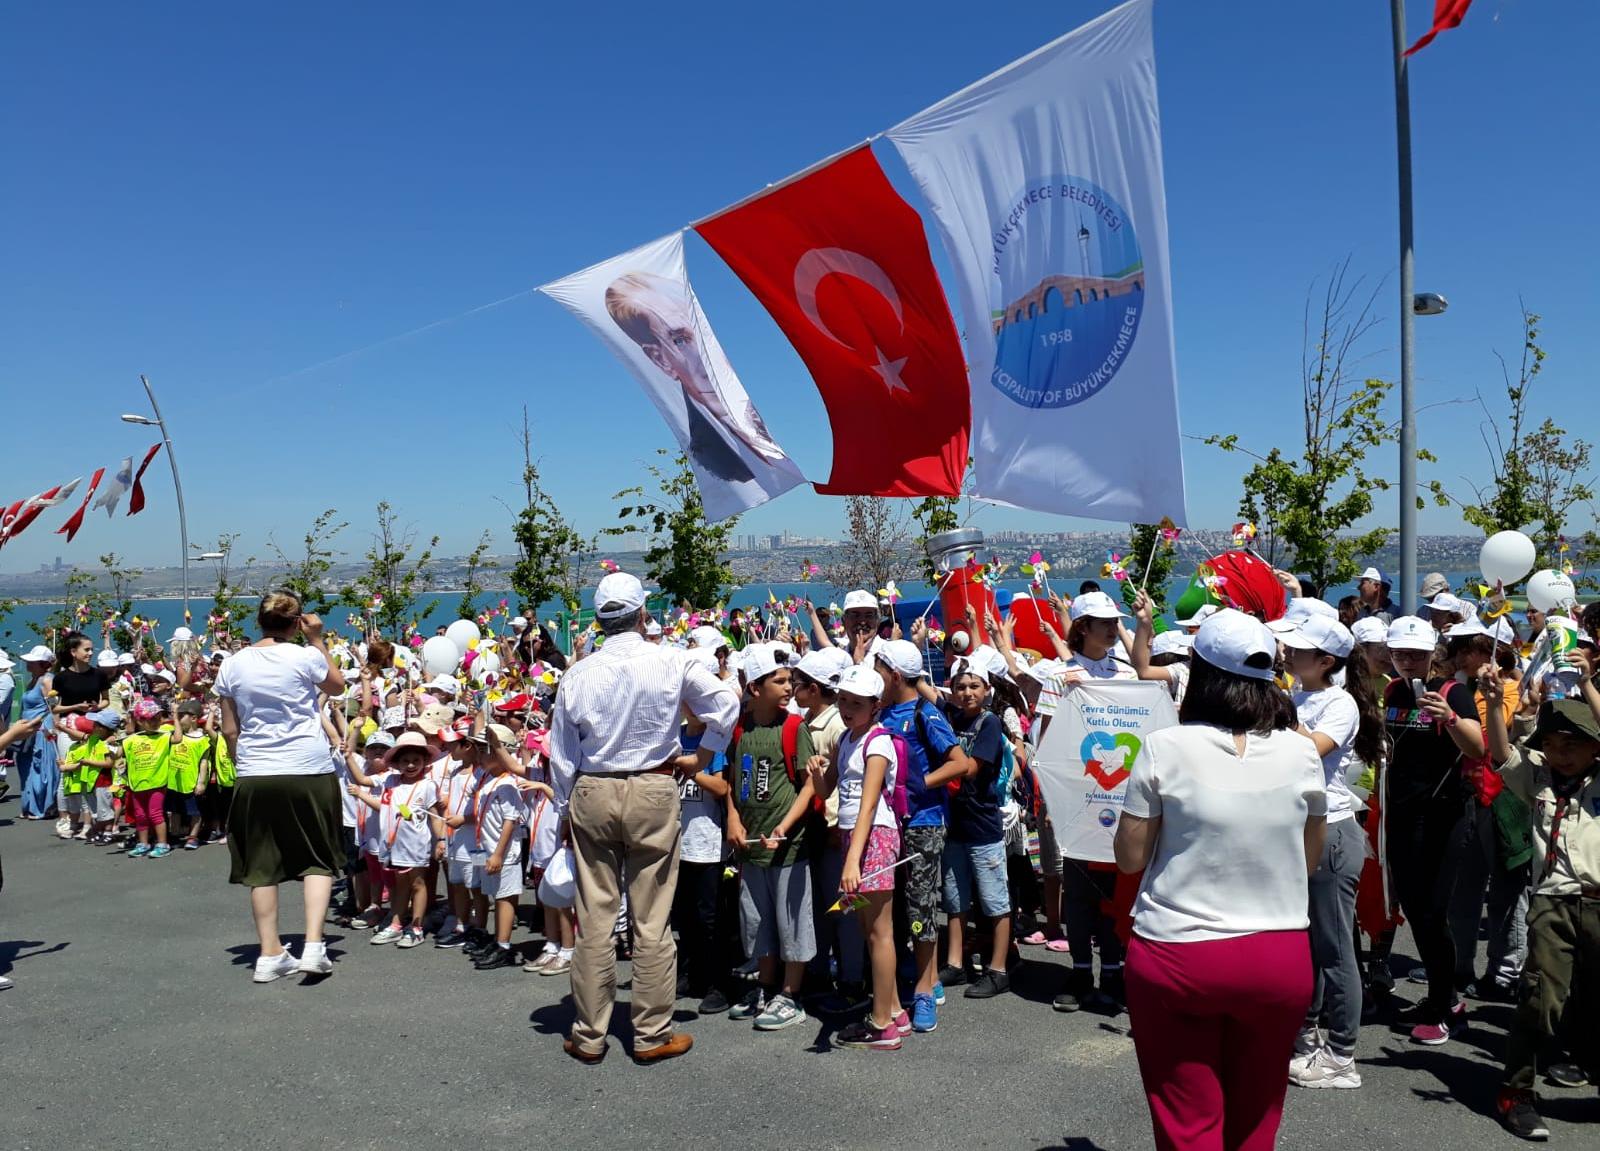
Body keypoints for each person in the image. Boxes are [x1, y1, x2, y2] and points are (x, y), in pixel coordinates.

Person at [1115, 609, 1327, 1151]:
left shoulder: (1164, 747)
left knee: (1188, 1123)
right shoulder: (1303, 752)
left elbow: (1130, 858)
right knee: (1257, 1117)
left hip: (1178, 952)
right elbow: (1307, 861)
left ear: (1200, 672)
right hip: (1278, 954)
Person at [548, 570, 739, 1066]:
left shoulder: (578, 672)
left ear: (600, 619)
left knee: (595, 918)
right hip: (654, 783)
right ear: (641, 614)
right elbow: (725, 704)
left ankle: (589, 1034)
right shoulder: (671, 660)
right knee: (651, 919)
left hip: (594, 785)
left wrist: (565, 808)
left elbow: (561, 755)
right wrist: (703, 756)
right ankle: (651, 1031)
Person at [1480, 667, 1600, 1142]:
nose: (1561, 752)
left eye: (1574, 742)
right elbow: (1501, 752)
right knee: (1540, 999)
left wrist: (1589, 685)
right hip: (1555, 902)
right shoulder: (1539, 779)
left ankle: (1583, 1065)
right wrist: (1493, 705)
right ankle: (1517, 1092)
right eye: (1552, 742)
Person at [213, 591, 347, 983]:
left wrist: (244, 764)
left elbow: (229, 728)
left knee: (261, 865)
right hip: (307, 765)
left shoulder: (233, 664)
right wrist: (318, 640)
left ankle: (270, 952)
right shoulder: (305, 655)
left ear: (259, 620)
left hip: (256, 769)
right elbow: (336, 686)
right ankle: (313, 945)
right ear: (296, 622)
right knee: (318, 857)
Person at [1281, 614, 1383, 1089]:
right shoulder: (1296, 696)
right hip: (1296, 828)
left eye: (1299, 650)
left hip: (1332, 828)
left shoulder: (1339, 704)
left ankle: (1342, 1054)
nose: (1288, 654)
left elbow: (1311, 748)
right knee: (1305, 941)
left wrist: (1274, 711)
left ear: (1325, 661)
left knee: (1335, 944)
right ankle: (1310, 1032)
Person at [1382, 614, 1484, 1045]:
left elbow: (1480, 748)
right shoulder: (1393, 690)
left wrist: (1450, 719)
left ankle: (1447, 1003)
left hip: (1443, 815)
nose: (1406, 660)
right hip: (1403, 812)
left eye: (1415, 654)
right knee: (1414, 908)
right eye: (1399, 653)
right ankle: (1442, 996)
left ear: (1432, 655)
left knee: (1432, 910)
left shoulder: (1453, 692)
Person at [873, 637, 973, 1033]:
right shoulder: (880, 712)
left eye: (879, 669)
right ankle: (918, 978)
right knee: (897, 910)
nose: (874, 676)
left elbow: (960, 762)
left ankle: (925, 991)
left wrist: (916, 786)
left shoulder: (924, 713)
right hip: (891, 825)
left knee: (920, 911)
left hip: (923, 824)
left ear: (895, 674)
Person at [604, 270, 789, 482]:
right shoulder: (707, 451)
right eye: (681, 340)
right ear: (660, 359)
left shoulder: (751, 410)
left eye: (700, 331)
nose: (705, 353)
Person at [809, 664, 905, 1050]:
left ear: (875, 706)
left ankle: (882, 1024)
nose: (847, 708)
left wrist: (853, 862)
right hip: (855, 837)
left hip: (874, 838)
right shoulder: (847, 739)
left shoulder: (877, 742)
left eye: (856, 702)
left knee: (879, 932)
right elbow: (826, 789)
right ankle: (894, 1011)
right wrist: (817, 772)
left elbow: (867, 806)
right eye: (843, 700)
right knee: (870, 930)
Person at [724, 642, 818, 1034]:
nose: (787, 686)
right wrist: (732, 817)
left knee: (792, 918)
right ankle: (764, 985)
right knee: (757, 919)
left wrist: (786, 825)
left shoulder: (794, 727)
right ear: (755, 688)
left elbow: (811, 784)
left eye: (788, 679)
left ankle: (791, 993)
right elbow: (732, 778)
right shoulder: (741, 727)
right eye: (778, 681)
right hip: (750, 847)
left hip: (788, 846)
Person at [938, 655, 1012, 999]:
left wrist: (928, 780)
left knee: (995, 900)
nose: (967, 692)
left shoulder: (990, 723)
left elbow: (969, 768)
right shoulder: (951, 715)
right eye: (961, 687)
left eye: (974, 686)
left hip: (983, 826)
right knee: (955, 899)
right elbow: (922, 688)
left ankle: (998, 969)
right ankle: (955, 963)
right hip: (955, 825)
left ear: (987, 690)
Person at [121, 698, 176, 857]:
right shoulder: (131, 739)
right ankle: (143, 844)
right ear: (140, 720)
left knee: (155, 813)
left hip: (157, 783)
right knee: (140, 815)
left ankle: (162, 844)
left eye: (157, 718)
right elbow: (115, 755)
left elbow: (178, 738)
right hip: (137, 783)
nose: (154, 722)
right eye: (149, 719)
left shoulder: (164, 736)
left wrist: (176, 716)